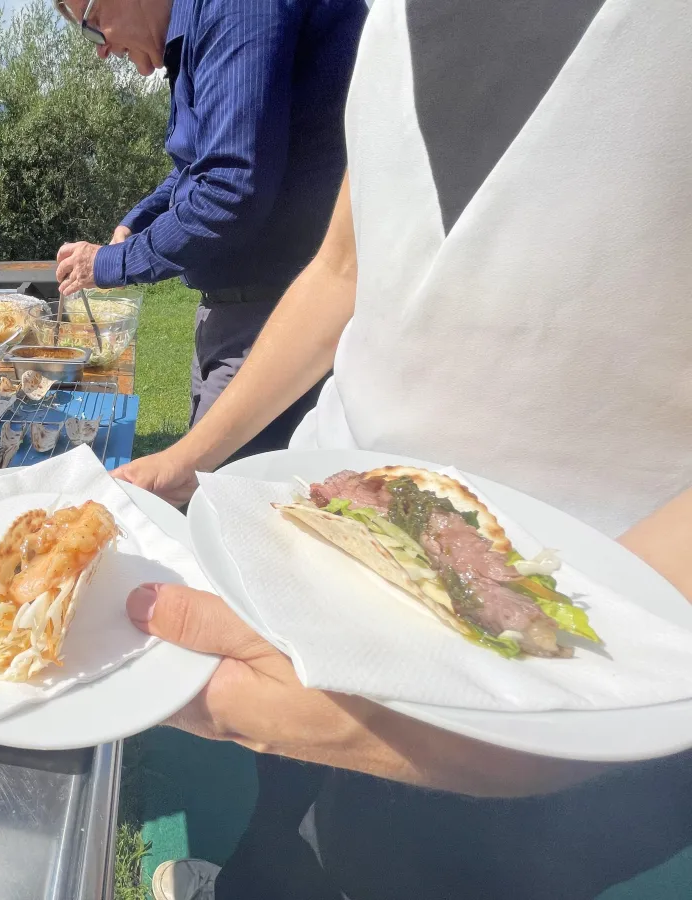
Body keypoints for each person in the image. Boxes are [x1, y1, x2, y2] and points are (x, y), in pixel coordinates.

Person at [116, 0, 692, 897]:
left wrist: (539, 717)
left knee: (422, 869)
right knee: (287, 797)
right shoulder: (385, 15)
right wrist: (190, 456)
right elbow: (344, 271)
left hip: (567, 655)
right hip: (324, 538)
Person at [52, 0, 367, 456]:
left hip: (275, 317)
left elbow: (228, 191)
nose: (100, 50)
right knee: (201, 485)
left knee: (212, 499)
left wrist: (110, 263)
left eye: (93, 25)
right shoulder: (197, 36)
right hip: (232, 313)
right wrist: (134, 221)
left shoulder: (233, 7)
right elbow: (198, 170)